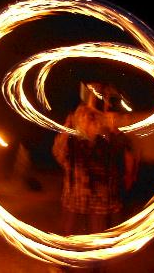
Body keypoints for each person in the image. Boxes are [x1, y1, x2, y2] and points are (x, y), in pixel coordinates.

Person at [53, 82, 139, 236]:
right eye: (86, 118)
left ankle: (94, 259)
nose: (90, 121)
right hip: (75, 197)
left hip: (100, 200)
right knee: (68, 238)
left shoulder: (108, 136)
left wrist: (129, 172)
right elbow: (59, 154)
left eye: (93, 118)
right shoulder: (73, 138)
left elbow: (128, 149)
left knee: (97, 243)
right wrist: (67, 129)